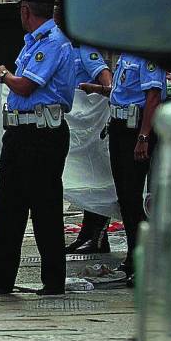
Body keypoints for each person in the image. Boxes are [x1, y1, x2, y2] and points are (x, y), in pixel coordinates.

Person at [0, 0, 79, 297]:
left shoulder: (52, 43)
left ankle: (53, 280)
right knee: (10, 207)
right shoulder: (33, 42)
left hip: (42, 134)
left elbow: (27, 86)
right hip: (21, 132)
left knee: (45, 207)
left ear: (26, 10)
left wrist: (4, 75)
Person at [103, 52, 167, 284]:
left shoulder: (147, 54)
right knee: (126, 198)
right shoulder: (126, 53)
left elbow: (153, 96)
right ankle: (133, 256)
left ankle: (145, 262)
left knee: (135, 197)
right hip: (120, 127)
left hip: (137, 129)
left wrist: (144, 136)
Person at [67, 46, 115, 254]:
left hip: (91, 129)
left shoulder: (85, 50)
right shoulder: (62, 48)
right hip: (77, 131)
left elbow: (107, 81)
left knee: (99, 181)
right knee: (86, 182)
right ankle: (86, 235)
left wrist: (97, 96)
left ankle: (99, 237)